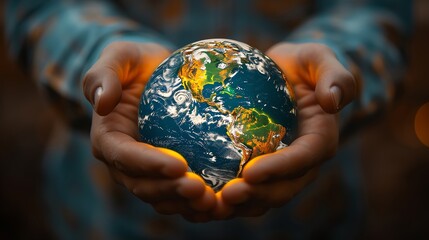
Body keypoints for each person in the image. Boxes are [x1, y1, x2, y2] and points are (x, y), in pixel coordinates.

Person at [5, 0, 411, 238]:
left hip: (310, 218)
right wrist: (97, 53)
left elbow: (379, 8)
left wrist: (338, 60)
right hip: (107, 219)